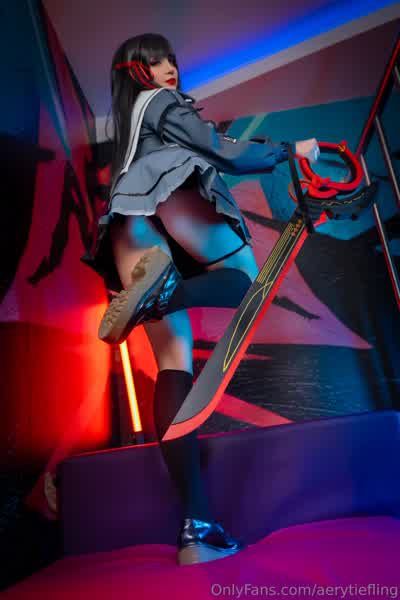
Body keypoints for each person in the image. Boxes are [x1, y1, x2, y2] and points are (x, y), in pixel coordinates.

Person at [82, 33, 320, 566]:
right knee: (246, 280)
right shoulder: (163, 102)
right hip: (171, 194)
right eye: (155, 60)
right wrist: (292, 150)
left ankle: (197, 527)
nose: (169, 67)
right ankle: (167, 292)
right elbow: (220, 151)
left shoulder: (128, 129)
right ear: (136, 72)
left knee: (174, 363)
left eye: (170, 58)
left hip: (126, 224)